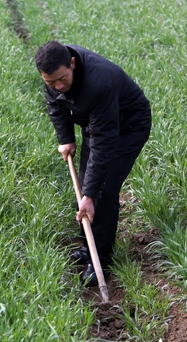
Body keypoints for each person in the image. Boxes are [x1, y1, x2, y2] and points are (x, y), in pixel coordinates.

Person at [34, 41, 152, 286]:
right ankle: (89, 247)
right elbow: (56, 106)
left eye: (62, 79)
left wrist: (91, 193)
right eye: (50, 82)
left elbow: (104, 141)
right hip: (96, 122)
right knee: (89, 182)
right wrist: (66, 139)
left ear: (73, 64)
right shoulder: (53, 74)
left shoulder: (98, 84)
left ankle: (101, 260)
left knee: (102, 189)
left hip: (127, 126)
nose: (58, 86)